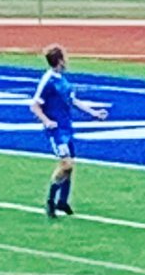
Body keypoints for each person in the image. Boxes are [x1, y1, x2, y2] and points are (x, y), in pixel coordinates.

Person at [30, 45, 109, 217]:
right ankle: (50, 200)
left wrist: (93, 113)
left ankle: (62, 202)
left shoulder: (62, 80)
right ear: (59, 60)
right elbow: (35, 105)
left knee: (69, 167)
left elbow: (73, 101)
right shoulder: (49, 80)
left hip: (67, 128)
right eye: (65, 57)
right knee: (66, 164)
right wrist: (47, 121)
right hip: (57, 130)